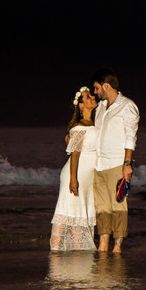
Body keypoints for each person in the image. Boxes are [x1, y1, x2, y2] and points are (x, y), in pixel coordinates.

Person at [91, 70, 140, 253]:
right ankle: (103, 243)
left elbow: (130, 136)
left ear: (106, 86)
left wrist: (127, 164)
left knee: (118, 204)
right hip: (99, 163)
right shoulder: (101, 107)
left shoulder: (127, 106)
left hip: (117, 163)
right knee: (102, 207)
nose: (95, 92)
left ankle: (117, 246)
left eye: (97, 88)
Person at [49, 86, 99, 251]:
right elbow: (75, 153)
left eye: (91, 95)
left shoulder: (96, 122)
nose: (92, 97)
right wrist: (73, 179)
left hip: (88, 176)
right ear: (81, 105)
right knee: (66, 210)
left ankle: (78, 252)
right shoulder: (79, 126)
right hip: (76, 173)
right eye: (87, 97)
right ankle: (55, 251)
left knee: (80, 213)